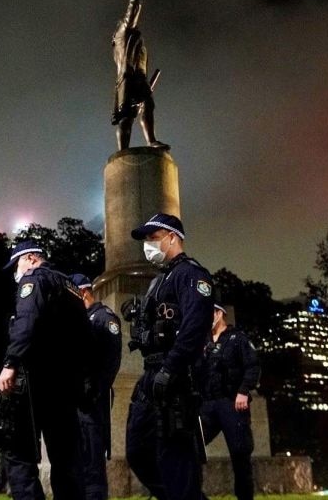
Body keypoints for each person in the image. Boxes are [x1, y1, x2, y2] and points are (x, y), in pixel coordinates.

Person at [125, 213, 214, 500]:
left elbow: (195, 326)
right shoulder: (159, 281)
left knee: (176, 459)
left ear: (172, 237)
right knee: (137, 451)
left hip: (175, 378)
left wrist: (171, 368)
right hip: (151, 375)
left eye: (153, 238)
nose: (148, 245)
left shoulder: (191, 274)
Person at [0, 241, 91, 500]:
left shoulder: (34, 279)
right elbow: (85, 335)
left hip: (37, 380)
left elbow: (26, 323)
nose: (17, 272)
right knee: (66, 458)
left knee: (19, 452)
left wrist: (10, 363)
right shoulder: (70, 286)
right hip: (67, 383)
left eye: (17, 265)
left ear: (29, 258)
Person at [197, 304, 260, 500]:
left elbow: (253, 366)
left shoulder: (237, 338)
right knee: (192, 448)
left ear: (219, 313)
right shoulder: (203, 341)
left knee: (240, 456)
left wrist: (243, 391)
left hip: (232, 403)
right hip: (207, 405)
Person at [68, 273, 122, 500]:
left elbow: (111, 361)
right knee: (78, 462)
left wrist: (95, 389)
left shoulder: (103, 318)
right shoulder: (80, 321)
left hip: (92, 401)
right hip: (76, 400)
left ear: (82, 292)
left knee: (92, 463)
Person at [111, 0, 168, 151]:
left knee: (148, 104)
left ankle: (151, 140)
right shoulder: (123, 32)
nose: (129, 21)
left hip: (138, 77)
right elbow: (133, 8)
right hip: (128, 77)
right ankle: (123, 151)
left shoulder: (133, 39)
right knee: (127, 116)